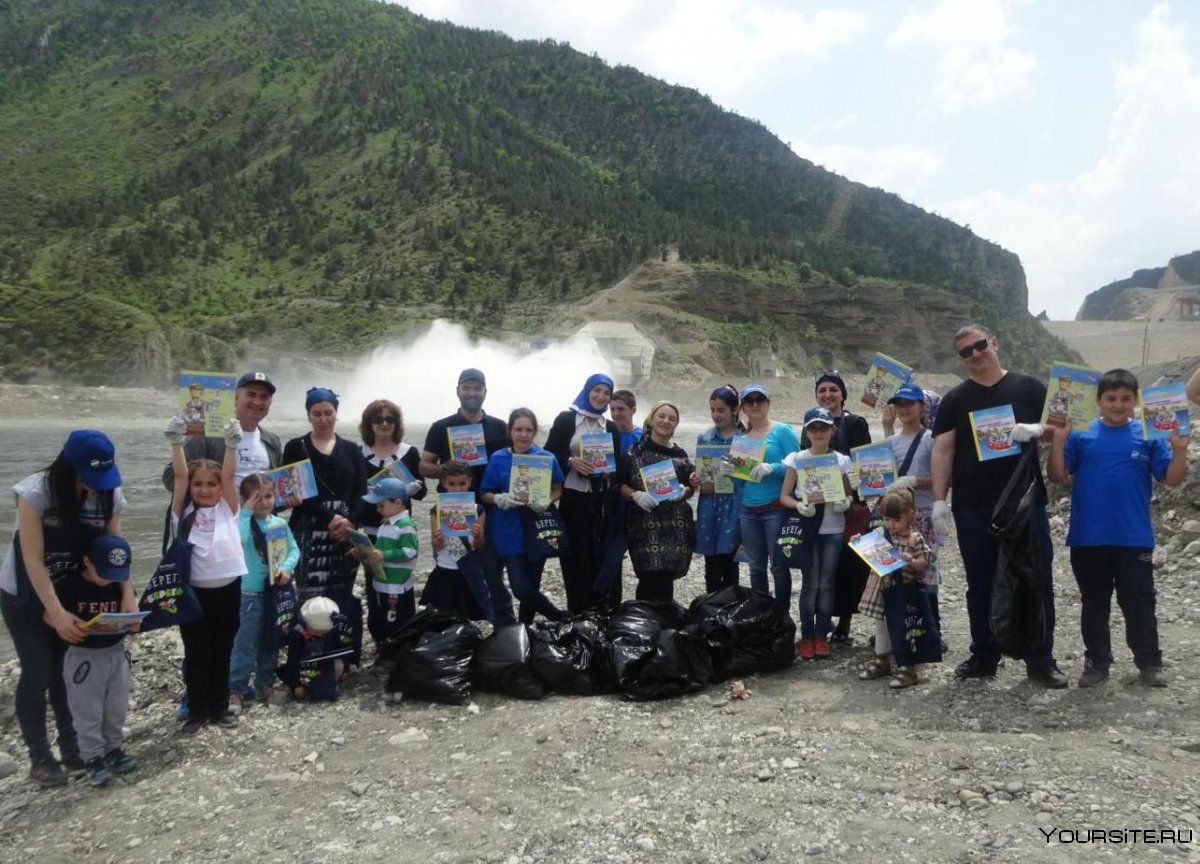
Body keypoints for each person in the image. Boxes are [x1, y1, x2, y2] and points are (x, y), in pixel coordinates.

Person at [931, 323, 1067, 687]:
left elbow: (1062, 426)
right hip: (973, 504)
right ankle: (984, 654)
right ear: (960, 360)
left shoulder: (1029, 387)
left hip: (1025, 501)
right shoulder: (955, 400)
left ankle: (1040, 659)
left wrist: (1040, 431)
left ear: (994, 342)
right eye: (965, 352)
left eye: (979, 346)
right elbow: (942, 449)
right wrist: (940, 500)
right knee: (980, 582)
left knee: (1035, 577)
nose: (975, 355)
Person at [0, 430, 129, 786]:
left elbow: (115, 546)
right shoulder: (36, 493)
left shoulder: (109, 493)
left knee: (66, 669)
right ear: (69, 465)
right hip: (25, 592)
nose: (94, 485)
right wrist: (53, 611)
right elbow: (32, 559)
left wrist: (123, 590)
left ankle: (72, 746)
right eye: (89, 476)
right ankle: (40, 756)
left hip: (72, 590)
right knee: (38, 671)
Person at [1047, 368, 1189, 688]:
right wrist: (1058, 442)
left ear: (1136, 401)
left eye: (1126, 398)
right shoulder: (1081, 434)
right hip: (1088, 537)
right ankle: (1096, 662)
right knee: (1094, 603)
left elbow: (1172, 479)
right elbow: (1057, 476)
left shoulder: (1149, 435)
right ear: (1098, 401)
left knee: (1139, 602)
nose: (1118, 404)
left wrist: (1180, 450)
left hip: (1134, 537)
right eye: (1111, 398)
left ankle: (1149, 662)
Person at [166, 415, 247, 733]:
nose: (204, 489)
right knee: (196, 653)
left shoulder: (230, 508)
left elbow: (229, 475)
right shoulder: (182, 512)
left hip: (228, 588)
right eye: (199, 484)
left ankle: (220, 707)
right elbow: (180, 475)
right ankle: (197, 711)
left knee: (223, 650)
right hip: (195, 592)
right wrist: (175, 442)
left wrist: (230, 445)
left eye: (210, 484)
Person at [420, 368, 514, 625]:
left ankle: (503, 628)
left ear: (485, 392)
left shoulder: (498, 427)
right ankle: (453, 629)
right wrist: (449, 468)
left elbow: (511, 465)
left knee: (492, 573)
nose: (472, 393)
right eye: (467, 388)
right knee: (454, 570)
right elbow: (424, 466)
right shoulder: (442, 427)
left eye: (477, 388)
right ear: (458, 390)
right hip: (450, 511)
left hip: (489, 510)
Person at [55, 535, 139, 786]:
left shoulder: (119, 584)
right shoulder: (69, 587)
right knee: (87, 710)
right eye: (103, 571)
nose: (109, 578)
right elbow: (49, 615)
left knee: (116, 707)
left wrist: (133, 621)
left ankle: (113, 749)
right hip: (84, 658)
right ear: (86, 562)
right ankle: (92, 757)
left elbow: (133, 621)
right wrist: (69, 624)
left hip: (116, 652)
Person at [545, 374, 624, 612]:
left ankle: (602, 611)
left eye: (606, 393)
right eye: (596, 390)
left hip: (601, 499)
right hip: (574, 498)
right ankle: (577, 611)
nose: (601, 396)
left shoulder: (609, 426)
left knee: (600, 554)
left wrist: (607, 472)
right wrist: (571, 461)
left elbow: (617, 467)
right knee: (575, 557)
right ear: (587, 391)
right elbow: (548, 454)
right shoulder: (567, 420)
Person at [480, 409, 566, 624]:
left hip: (537, 527)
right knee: (520, 587)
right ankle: (558, 615)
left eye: (529, 430)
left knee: (532, 584)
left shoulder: (546, 458)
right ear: (510, 431)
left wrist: (548, 499)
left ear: (535, 432)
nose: (523, 434)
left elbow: (558, 487)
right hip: (507, 529)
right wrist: (499, 498)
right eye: (518, 429)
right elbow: (485, 493)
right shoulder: (499, 458)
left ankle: (525, 630)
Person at [804, 370, 872, 644]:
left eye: (833, 389)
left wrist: (855, 493)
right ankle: (824, 619)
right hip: (821, 505)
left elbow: (866, 463)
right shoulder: (809, 424)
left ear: (843, 395)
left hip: (851, 506)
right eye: (822, 390)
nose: (828, 395)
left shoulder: (856, 423)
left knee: (850, 564)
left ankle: (845, 618)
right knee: (821, 566)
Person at [282, 388, 366, 604]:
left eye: (328, 413)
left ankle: (339, 637)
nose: (323, 419)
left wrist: (351, 521)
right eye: (316, 413)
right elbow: (297, 491)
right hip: (308, 529)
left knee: (341, 594)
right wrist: (330, 518)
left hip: (344, 532)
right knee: (309, 598)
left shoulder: (352, 450)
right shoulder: (295, 447)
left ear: (336, 413)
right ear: (308, 415)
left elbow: (361, 491)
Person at [780, 408, 853, 659]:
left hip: (833, 528)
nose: (819, 432)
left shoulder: (841, 460)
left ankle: (822, 635)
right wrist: (799, 505)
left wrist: (845, 502)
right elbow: (785, 496)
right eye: (814, 428)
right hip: (808, 528)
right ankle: (807, 636)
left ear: (832, 430)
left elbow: (849, 493)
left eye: (824, 427)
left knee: (826, 583)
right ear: (807, 431)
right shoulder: (796, 459)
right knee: (810, 584)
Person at [227, 472, 298, 714]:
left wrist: (287, 569)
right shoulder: (242, 522)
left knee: (271, 639)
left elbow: (294, 550)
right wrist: (245, 511)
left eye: (268, 496)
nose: (265, 502)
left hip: (274, 592)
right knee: (245, 643)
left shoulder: (279, 523)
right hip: (249, 594)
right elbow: (239, 540)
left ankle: (264, 683)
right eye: (257, 498)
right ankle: (235, 688)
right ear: (245, 500)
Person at [618, 401, 700, 602]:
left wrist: (686, 490)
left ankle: (660, 626)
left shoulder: (680, 454)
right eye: (661, 416)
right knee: (648, 578)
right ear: (652, 419)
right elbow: (618, 485)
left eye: (672, 418)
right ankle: (645, 624)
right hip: (645, 529)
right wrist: (635, 495)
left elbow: (691, 485)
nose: (666, 421)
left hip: (676, 529)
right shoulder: (634, 451)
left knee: (666, 580)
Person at [879, 383, 940, 629]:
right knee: (897, 572)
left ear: (922, 406)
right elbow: (882, 474)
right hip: (896, 517)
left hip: (922, 514)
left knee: (926, 572)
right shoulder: (891, 440)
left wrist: (916, 481)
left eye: (909, 404)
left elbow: (943, 478)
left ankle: (933, 628)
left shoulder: (931, 439)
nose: (904, 409)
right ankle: (904, 626)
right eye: (899, 404)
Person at [859, 488, 934, 689]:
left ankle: (907, 666)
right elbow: (867, 547)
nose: (891, 525)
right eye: (887, 519)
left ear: (911, 514)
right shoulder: (880, 534)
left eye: (896, 520)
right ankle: (881, 659)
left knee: (903, 627)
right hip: (881, 588)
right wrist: (857, 541)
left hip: (904, 591)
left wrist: (912, 561)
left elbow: (925, 562)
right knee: (881, 625)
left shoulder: (914, 538)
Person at [735, 384, 801, 606]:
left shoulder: (782, 431)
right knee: (755, 567)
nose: (755, 405)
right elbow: (740, 481)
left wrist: (772, 467)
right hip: (748, 510)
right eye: (749, 401)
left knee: (779, 565)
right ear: (743, 408)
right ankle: (761, 613)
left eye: (759, 400)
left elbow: (798, 464)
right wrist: (729, 473)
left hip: (775, 507)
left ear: (768, 403)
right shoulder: (742, 439)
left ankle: (781, 614)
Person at [162, 371, 282, 490]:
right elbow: (170, 478)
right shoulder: (207, 435)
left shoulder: (272, 441)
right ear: (235, 398)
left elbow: (275, 494)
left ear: (270, 403)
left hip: (261, 510)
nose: (257, 402)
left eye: (264, 397)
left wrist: (286, 501)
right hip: (218, 509)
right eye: (251, 394)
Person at [421, 460, 489, 620]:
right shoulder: (436, 511)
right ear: (443, 483)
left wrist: (478, 535)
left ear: (470, 482)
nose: (457, 488)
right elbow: (436, 546)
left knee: (466, 616)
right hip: (445, 569)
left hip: (467, 571)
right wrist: (438, 538)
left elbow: (479, 545)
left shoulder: (478, 510)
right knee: (443, 617)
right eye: (452, 484)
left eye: (462, 483)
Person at [695, 384, 744, 593]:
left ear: (734, 410)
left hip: (735, 504)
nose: (716, 414)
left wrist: (739, 469)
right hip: (710, 503)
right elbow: (701, 473)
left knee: (730, 561)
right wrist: (696, 480)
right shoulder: (704, 438)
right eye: (713, 410)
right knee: (711, 562)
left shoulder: (745, 438)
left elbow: (750, 477)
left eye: (721, 409)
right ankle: (710, 608)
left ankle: (730, 607)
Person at [361, 478, 419, 643]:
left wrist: (384, 555)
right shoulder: (385, 524)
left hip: (398, 586)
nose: (377, 510)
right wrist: (364, 552)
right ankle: (383, 647)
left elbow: (410, 551)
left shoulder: (405, 525)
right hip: (382, 582)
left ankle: (398, 653)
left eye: (381, 505)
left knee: (398, 624)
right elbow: (378, 550)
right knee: (379, 620)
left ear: (398, 502)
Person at [279, 596, 345, 702]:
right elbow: (292, 661)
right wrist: (296, 685)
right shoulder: (297, 635)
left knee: (338, 666)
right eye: (317, 631)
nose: (320, 634)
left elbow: (339, 649)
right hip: (304, 668)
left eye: (323, 631)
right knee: (293, 681)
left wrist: (345, 669)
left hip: (323, 666)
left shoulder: (332, 631)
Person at [610, 390, 643, 454]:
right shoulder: (605, 434)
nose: (616, 413)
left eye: (621, 409)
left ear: (633, 410)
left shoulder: (643, 436)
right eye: (612, 409)